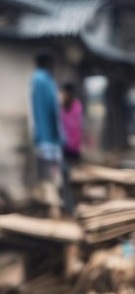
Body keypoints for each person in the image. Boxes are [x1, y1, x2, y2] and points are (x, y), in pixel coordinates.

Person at [31, 50, 64, 215]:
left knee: (44, 175)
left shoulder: (36, 80)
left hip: (42, 137)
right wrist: (60, 135)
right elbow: (54, 109)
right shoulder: (46, 81)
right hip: (50, 138)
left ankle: (47, 207)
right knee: (52, 175)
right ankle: (53, 209)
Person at [59, 82, 83, 214]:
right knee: (65, 177)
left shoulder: (76, 106)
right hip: (63, 147)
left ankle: (73, 205)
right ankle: (68, 205)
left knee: (73, 179)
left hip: (73, 148)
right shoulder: (62, 108)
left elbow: (77, 127)